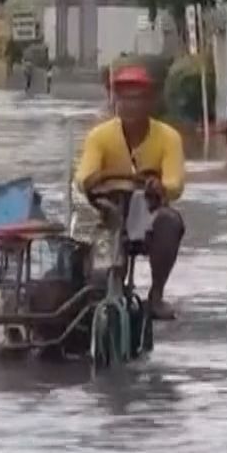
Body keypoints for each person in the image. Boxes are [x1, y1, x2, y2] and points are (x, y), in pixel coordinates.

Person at [74, 65, 188, 320]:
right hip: (111, 210)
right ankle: (101, 293)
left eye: (137, 98)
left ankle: (156, 296)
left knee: (170, 222)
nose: (130, 105)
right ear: (115, 100)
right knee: (93, 252)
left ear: (150, 102)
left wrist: (160, 187)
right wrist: (97, 179)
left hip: (150, 213)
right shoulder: (99, 136)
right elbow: (82, 177)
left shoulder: (169, 138)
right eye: (124, 98)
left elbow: (175, 183)